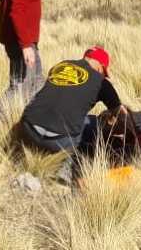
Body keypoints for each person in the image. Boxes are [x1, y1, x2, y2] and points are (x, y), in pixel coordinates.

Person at [20, 47, 129, 182]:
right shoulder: (101, 82)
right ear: (101, 67)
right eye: (103, 72)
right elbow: (121, 113)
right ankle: (65, 169)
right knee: (92, 122)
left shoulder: (60, 65)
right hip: (58, 141)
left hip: (27, 130)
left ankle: (25, 153)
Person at [0, 0, 55, 101]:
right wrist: (25, 46)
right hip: (20, 43)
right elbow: (16, 12)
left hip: (25, 41)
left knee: (36, 81)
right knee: (20, 87)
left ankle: (29, 122)